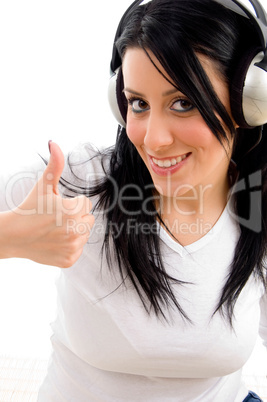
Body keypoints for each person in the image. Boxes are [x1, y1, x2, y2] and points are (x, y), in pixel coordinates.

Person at [0, 0, 267, 400]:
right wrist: (8, 236)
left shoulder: (258, 204)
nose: (153, 139)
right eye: (138, 103)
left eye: (183, 102)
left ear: (249, 100)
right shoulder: (80, 181)